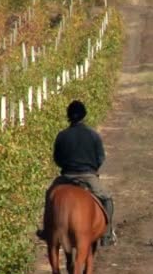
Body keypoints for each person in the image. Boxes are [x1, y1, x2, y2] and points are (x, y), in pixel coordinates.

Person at [37, 100, 116, 246]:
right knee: (107, 198)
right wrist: (92, 169)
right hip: (88, 176)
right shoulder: (93, 135)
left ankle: (46, 230)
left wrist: (66, 167)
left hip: (66, 176)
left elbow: (57, 158)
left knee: (49, 195)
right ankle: (107, 234)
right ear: (84, 115)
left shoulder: (62, 135)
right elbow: (100, 157)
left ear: (68, 116)